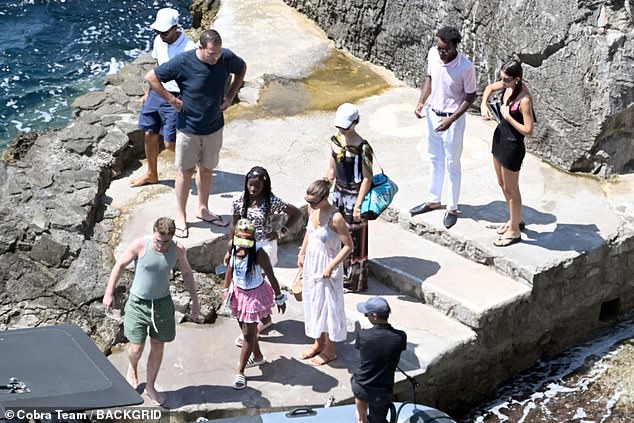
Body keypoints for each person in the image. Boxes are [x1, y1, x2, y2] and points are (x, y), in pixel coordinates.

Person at [145, 29, 247, 238]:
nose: (215, 58)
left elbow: (242, 68)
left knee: (207, 169)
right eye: (211, 53)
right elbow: (152, 77)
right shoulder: (183, 62)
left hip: (214, 126)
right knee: (185, 171)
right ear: (200, 47)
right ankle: (181, 215)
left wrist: (230, 95)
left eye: (217, 53)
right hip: (189, 128)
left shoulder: (225, 57)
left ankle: (203, 208)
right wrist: (172, 101)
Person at [102, 217, 199, 406]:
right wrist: (109, 293)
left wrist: (195, 301)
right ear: (153, 233)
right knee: (136, 347)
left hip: (162, 304)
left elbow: (187, 274)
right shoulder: (140, 245)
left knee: (158, 346)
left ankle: (151, 386)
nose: (162, 246)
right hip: (138, 303)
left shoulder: (177, 250)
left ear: (172, 237)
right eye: (158, 241)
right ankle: (132, 367)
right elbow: (120, 265)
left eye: (166, 242)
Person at [225, 166, 301, 347]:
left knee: (255, 284)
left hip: (263, 246)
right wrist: (230, 247)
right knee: (249, 283)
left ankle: (254, 324)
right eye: (250, 185)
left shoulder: (271, 202)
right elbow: (234, 225)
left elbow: (296, 213)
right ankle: (264, 318)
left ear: (264, 187)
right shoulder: (239, 200)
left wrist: (281, 232)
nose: (252, 189)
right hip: (243, 245)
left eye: (257, 186)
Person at [410, 26, 476, 229]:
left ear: (455, 46)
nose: (441, 52)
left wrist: (452, 119)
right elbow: (430, 78)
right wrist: (421, 102)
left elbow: (470, 96)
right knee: (434, 158)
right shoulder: (432, 54)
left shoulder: (465, 67)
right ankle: (433, 200)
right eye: (439, 48)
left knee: (452, 163)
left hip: (451, 119)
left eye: (445, 49)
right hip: (433, 113)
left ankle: (452, 207)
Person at [130, 8, 196, 188]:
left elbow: (194, 77)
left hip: (176, 97)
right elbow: (157, 65)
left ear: (176, 28)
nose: (161, 35)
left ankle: (195, 159)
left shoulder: (189, 48)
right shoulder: (159, 39)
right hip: (157, 91)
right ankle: (151, 174)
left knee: (169, 143)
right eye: (158, 31)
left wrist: (183, 101)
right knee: (149, 133)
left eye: (165, 32)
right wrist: (148, 91)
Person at [224, 218, 287, 390]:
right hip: (238, 293)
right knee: (245, 329)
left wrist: (279, 297)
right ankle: (257, 356)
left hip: (254, 296)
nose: (243, 246)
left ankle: (240, 371)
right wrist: (225, 289)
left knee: (248, 334)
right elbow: (230, 267)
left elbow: (271, 275)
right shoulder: (232, 245)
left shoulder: (260, 253)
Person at [297, 179, 353, 365]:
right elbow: (309, 232)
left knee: (329, 306)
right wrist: (302, 252)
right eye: (308, 200)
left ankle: (330, 349)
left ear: (324, 198)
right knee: (314, 302)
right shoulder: (312, 209)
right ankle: (317, 342)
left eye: (313, 201)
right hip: (312, 262)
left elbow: (348, 246)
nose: (310, 204)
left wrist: (331, 266)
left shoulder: (335, 218)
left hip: (328, 264)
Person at [480, 59, 534, 247]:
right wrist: (483, 104)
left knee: (512, 189)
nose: (502, 83)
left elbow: (528, 130)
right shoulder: (507, 86)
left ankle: (515, 230)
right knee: (502, 183)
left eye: (505, 80)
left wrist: (508, 116)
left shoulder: (524, 100)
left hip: (513, 146)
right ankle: (514, 219)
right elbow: (489, 88)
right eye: (501, 78)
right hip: (500, 139)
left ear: (516, 79)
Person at [327, 103, 373, 292]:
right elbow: (331, 170)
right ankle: (340, 273)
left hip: (355, 195)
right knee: (338, 234)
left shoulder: (364, 147)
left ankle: (355, 281)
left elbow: (367, 178)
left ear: (355, 123)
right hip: (338, 193)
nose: (342, 130)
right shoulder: (335, 141)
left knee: (355, 237)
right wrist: (323, 190)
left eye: (345, 127)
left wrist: (358, 205)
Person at [352, 297, 407, 423]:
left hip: (362, 386)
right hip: (383, 391)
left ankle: (361, 418)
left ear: (374, 316)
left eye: (367, 314)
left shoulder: (363, 335)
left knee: (357, 384)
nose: (367, 316)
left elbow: (360, 348)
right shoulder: (400, 336)